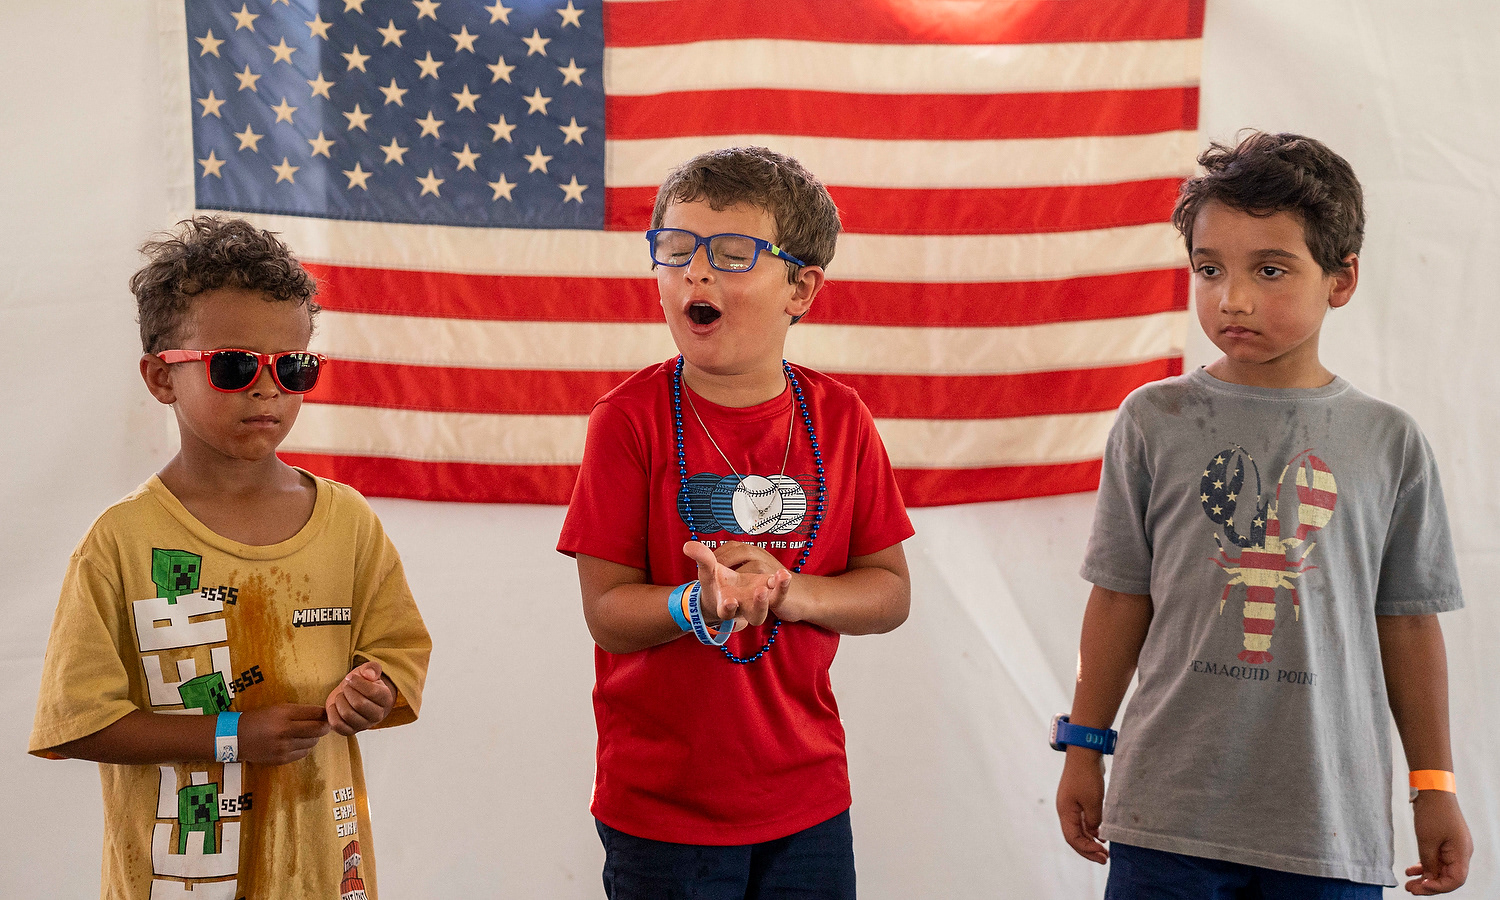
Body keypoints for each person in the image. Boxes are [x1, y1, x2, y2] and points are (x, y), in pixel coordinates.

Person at [1053, 132, 1472, 897]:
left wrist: (1434, 783)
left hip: (1326, 827)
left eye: (1270, 270)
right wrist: (1085, 743)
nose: (1232, 298)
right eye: (1209, 269)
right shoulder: (1154, 418)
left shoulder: (1388, 441)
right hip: (1166, 816)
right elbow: (1119, 595)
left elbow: (1408, 623)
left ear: (1341, 279)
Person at [29, 216, 432, 900]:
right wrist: (230, 736)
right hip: (181, 875)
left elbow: (395, 656)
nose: (268, 388)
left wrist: (375, 691)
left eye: (293, 366)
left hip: (321, 871)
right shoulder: (121, 543)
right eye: (235, 365)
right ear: (161, 377)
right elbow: (78, 723)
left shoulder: (349, 525)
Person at [558, 146, 914, 899]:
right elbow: (607, 613)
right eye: (676, 250)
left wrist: (787, 593)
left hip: (808, 798)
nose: (696, 273)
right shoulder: (626, 421)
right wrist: (699, 602)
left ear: (802, 288)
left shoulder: (841, 419)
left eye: (731, 254)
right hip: (662, 814)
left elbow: (888, 592)